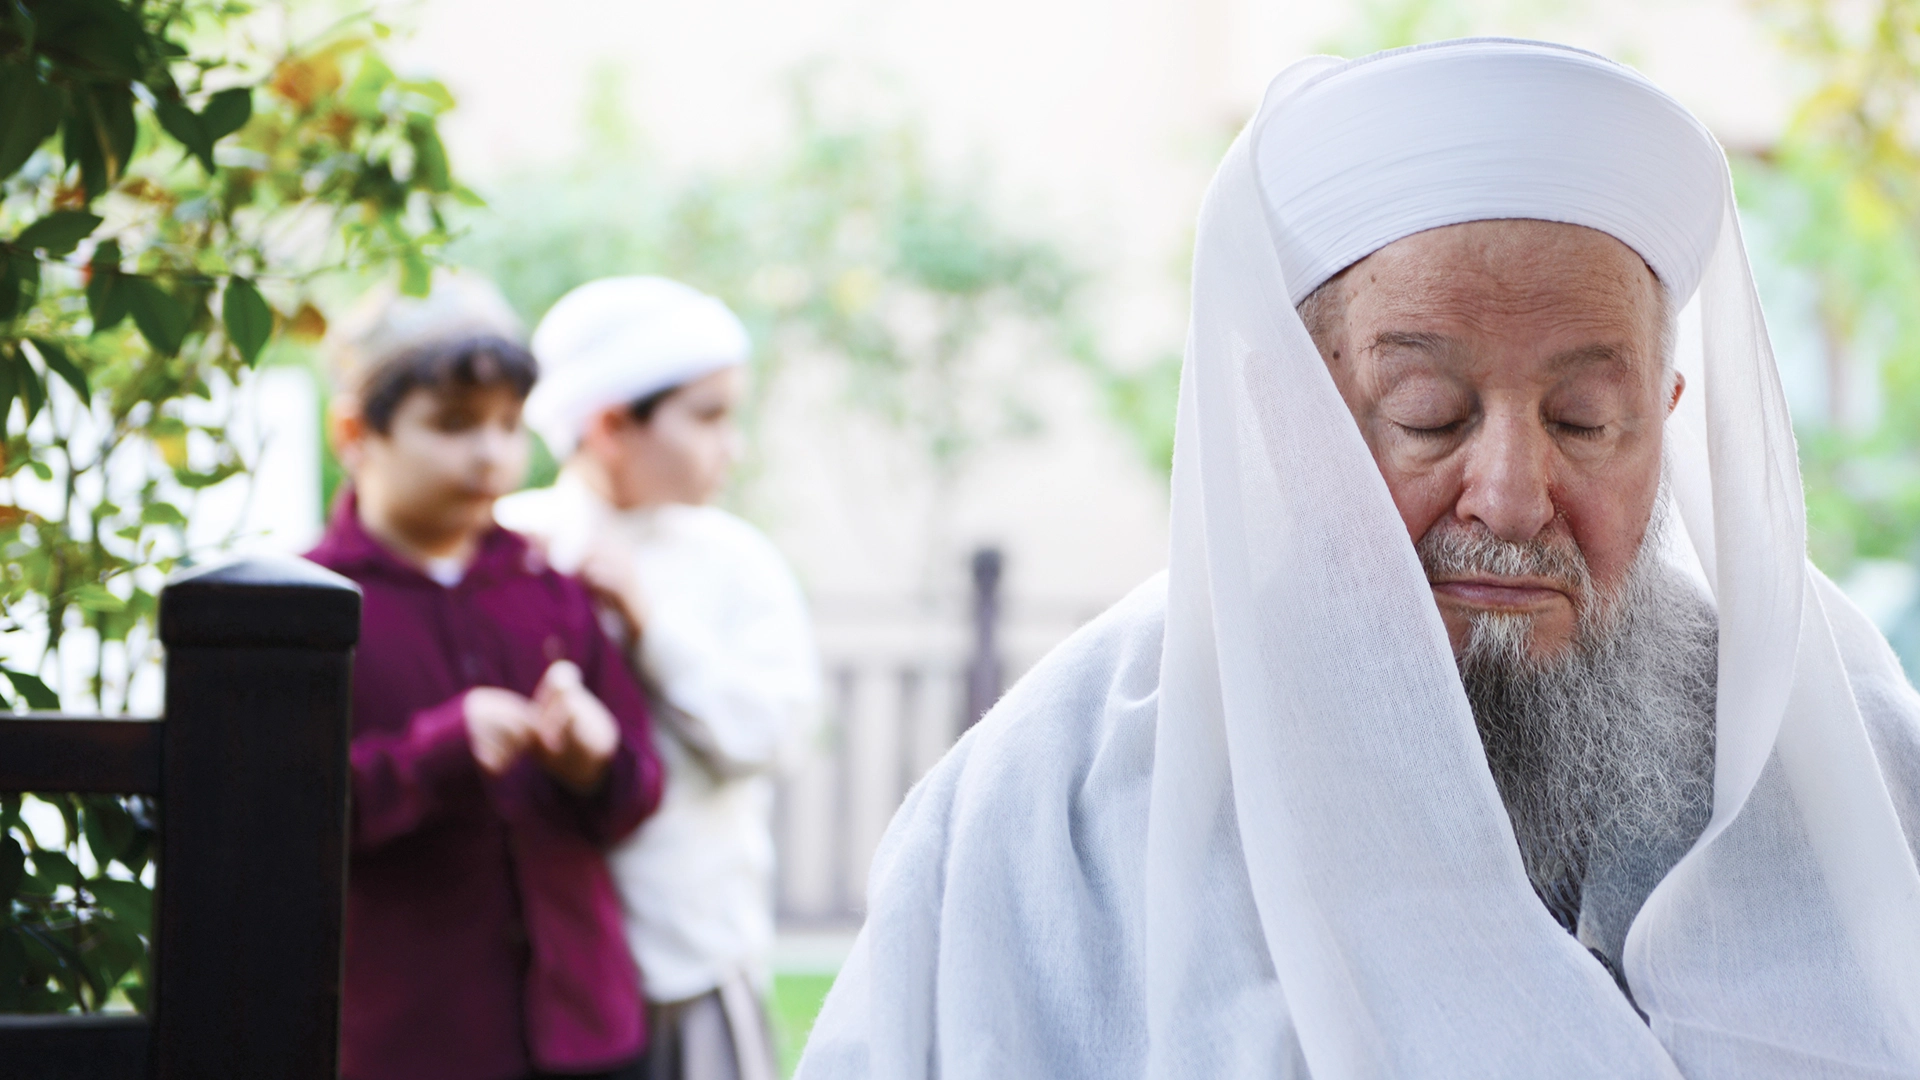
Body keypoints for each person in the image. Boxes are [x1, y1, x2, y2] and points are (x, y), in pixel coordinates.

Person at [796, 39, 1920, 1079]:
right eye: (1429, 413)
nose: (1515, 496)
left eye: (1584, 418)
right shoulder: (1050, 804)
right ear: (1296, 420)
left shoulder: (1837, 750)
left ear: (1664, 417)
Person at [307, 273, 666, 1080]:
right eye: (453, 424)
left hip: (587, 1030)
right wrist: (439, 749)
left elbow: (638, 791)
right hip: (416, 1040)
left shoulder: (551, 590)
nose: (491, 453)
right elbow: (286, 822)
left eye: (508, 425)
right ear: (355, 433)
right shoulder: (310, 611)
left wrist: (594, 759)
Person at [496, 276, 821, 1080]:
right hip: (534, 970)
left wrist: (652, 631)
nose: (729, 445)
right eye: (707, 416)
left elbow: (772, 736)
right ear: (609, 423)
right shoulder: (515, 546)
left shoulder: (735, 561)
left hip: (692, 963)